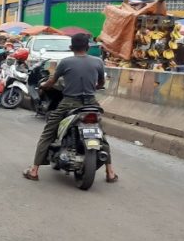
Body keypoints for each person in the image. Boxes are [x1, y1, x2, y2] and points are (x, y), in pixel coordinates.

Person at [24, 33, 118, 183]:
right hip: (91, 103)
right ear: (88, 47)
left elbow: (52, 81)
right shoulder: (98, 62)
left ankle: (34, 171)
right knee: (101, 134)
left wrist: (42, 85)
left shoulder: (65, 62)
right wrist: (93, 87)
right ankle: (110, 172)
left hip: (69, 103)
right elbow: (101, 83)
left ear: (71, 47)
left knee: (48, 133)